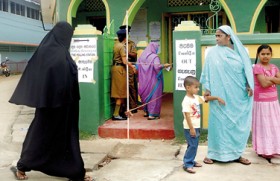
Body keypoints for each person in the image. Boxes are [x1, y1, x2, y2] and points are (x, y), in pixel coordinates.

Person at [9, 21, 92, 181]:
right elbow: (41, 77)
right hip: (50, 106)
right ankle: (23, 165)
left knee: (67, 139)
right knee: (41, 135)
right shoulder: (48, 52)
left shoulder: (62, 52)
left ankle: (75, 172)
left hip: (67, 106)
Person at [200, 25, 254, 165]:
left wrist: (249, 85)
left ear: (228, 37)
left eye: (219, 36)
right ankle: (213, 153)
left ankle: (237, 153)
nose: (217, 38)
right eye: (216, 36)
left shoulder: (239, 52)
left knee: (236, 124)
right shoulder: (212, 53)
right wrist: (207, 88)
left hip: (237, 95)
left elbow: (246, 70)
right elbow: (207, 71)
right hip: (219, 94)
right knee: (218, 123)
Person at [182, 76, 225, 174]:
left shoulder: (195, 98)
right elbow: (187, 116)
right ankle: (187, 164)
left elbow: (206, 98)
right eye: (196, 87)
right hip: (190, 128)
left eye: (198, 87)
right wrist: (192, 129)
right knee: (192, 145)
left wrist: (217, 98)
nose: (198, 89)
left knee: (194, 145)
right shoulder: (186, 100)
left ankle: (191, 161)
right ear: (188, 88)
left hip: (196, 127)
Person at [252, 44, 280, 163]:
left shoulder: (274, 67)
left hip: (273, 101)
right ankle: (264, 150)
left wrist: (271, 79)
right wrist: (274, 79)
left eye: (268, 54)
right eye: (263, 54)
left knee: (274, 125)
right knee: (264, 126)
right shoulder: (257, 68)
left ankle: (274, 148)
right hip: (261, 102)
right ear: (258, 55)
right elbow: (263, 84)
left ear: (271, 55)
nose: (265, 56)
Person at [136, 42, 171, 120]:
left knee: (145, 96)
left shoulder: (141, 57)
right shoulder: (155, 57)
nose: (157, 49)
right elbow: (157, 67)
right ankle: (152, 114)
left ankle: (146, 112)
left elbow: (137, 68)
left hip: (143, 81)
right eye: (157, 48)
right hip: (153, 81)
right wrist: (165, 65)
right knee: (154, 96)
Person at [111, 29, 136, 120]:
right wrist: (132, 66)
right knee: (121, 93)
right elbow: (125, 61)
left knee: (119, 92)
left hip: (116, 68)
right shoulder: (122, 46)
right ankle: (116, 114)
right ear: (125, 37)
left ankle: (118, 113)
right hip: (120, 70)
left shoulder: (115, 45)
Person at [119, 25, 138, 114]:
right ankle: (123, 107)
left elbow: (134, 55)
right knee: (122, 87)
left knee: (131, 86)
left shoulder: (131, 43)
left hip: (129, 66)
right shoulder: (118, 43)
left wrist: (126, 52)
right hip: (120, 67)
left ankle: (133, 106)